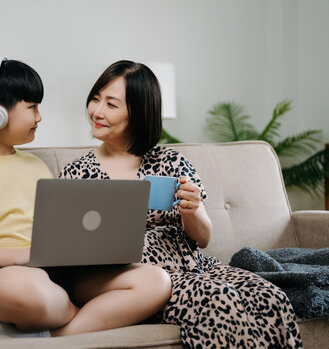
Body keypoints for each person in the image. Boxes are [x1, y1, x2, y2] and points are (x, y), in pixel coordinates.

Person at [60, 60, 303, 348]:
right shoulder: (75, 174)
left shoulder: (170, 162)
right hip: (134, 279)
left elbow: (203, 237)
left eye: (111, 105)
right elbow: (69, 251)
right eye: (96, 99)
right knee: (219, 301)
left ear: (138, 112)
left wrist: (191, 211)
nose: (97, 112)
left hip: (195, 266)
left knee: (269, 296)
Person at [0, 57, 172, 338]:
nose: (39, 117)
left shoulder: (37, 166)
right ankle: (72, 321)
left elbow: (60, 229)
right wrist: (22, 256)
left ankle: (51, 336)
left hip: (55, 277)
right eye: (32, 107)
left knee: (155, 281)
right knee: (29, 289)